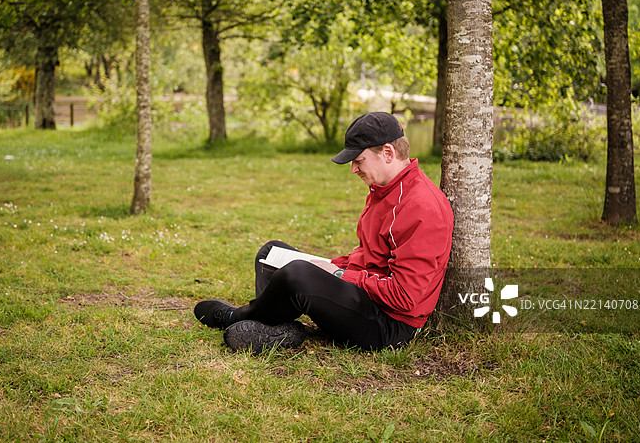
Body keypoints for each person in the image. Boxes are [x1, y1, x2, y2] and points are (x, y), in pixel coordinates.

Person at [194, 112, 454, 352]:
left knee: (297, 274)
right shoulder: (384, 189)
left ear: (387, 152)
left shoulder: (421, 207)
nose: (353, 169)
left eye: (359, 160)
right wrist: (334, 266)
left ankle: (235, 317)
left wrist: (339, 274)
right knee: (270, 253)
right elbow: (370, 255)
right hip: (365, 294)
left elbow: (405, 296)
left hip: (388, 325)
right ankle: (278, 330)